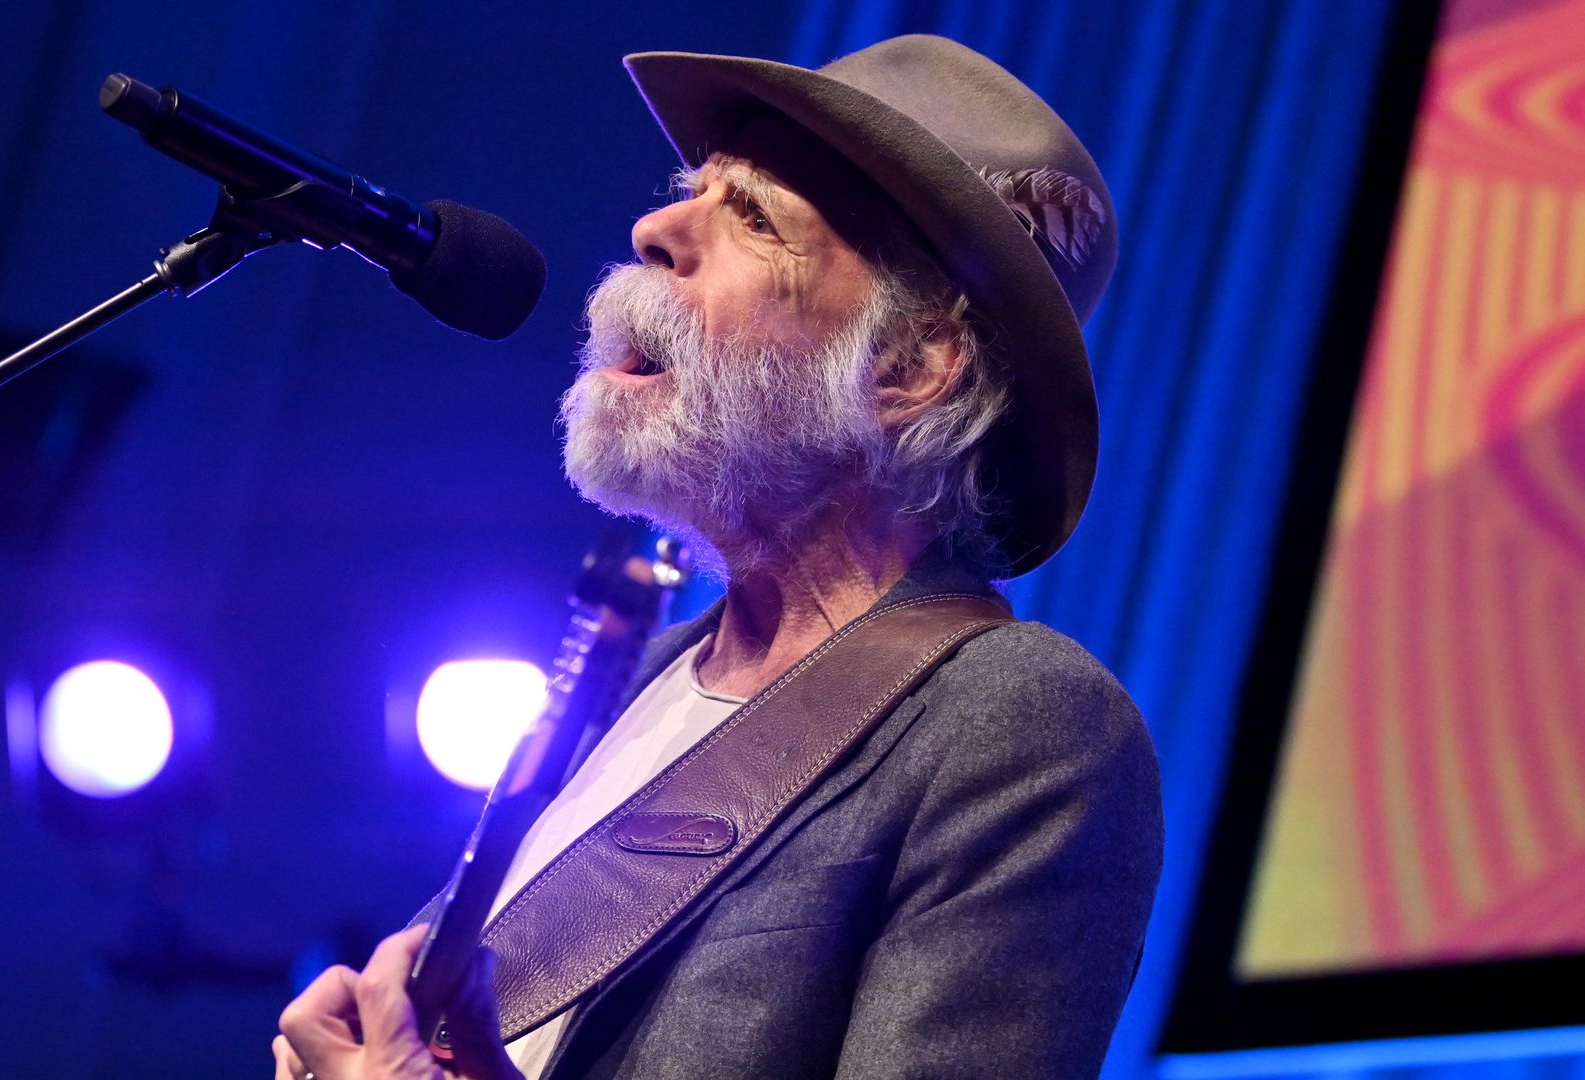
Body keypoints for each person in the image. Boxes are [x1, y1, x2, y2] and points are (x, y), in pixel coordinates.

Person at [275, 34, 1162, 1080]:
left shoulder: (1020, 724)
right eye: (686, 189)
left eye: (750, 216)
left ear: (913, 365)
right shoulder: (621, 688)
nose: (653, 227)